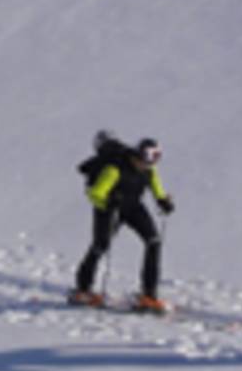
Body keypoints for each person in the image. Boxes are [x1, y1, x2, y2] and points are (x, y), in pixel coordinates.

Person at [70, 132, 177, 313]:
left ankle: (149, 294)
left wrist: (163, 201)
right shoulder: (115, 169)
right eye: (148, 159)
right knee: (100, 246)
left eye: (155, 159)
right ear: (139, 155)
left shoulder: (149, 170)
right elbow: (94, 193)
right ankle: (83, 289)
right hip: (109, 210)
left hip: (133, 207)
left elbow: (157, 188)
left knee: (153, 241)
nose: (150, 164)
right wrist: (108, 201)